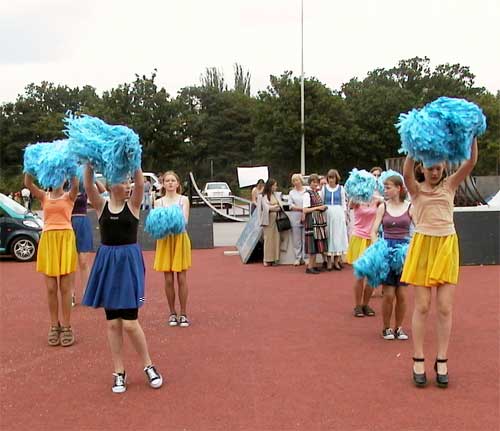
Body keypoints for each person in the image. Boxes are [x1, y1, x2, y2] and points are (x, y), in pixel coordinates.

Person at [402, 139, 478, 389]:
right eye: (430, 168)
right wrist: (413, 146)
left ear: (444, 167)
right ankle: (418, 358)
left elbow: (471, 162)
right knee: (422, 306)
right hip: (423, 246)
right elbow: (406, 173)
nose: (434, 172)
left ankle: (442, 359)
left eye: (438, 168)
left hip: (446, 246)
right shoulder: (415, 189)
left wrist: (472, 134)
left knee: (445, 308)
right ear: (422, 168)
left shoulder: (450, 184)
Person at [82, 165, 163, 394]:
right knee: (112, 323)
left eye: (129, 182)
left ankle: (148, 365)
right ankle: (119, 371)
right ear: (110, 185)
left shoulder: (134, 205)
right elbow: (88, 185)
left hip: (128, 265)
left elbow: (140, 183)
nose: (128, 186)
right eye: (123, 182)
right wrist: (89, 163)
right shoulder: (101, 205)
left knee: (129, 322)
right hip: (108, 265)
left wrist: (134, 160)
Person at [24, 173, 78, 347]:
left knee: (65, 288)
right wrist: (31, 165)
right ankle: (55, 325)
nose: (57, 179)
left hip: (65, 240)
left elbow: (76, 184)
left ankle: (67, 326)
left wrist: (71, 168)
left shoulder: (69, 196)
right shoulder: (43, 196)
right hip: (48, 241)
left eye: (60, 176)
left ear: (64, 179)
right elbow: (28, 183)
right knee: (51, 288)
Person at [370, 175, 413, 340]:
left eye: (388, 187)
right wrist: (377, 247)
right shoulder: (383, 207)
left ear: (398, 188)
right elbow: (374, 230)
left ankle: (399, 327)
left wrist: (411, 247)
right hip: (387, 251)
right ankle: (386, 327)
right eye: (385, 187)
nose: (385, 190)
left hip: (403, 253)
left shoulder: (410, 207)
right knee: (388, 294)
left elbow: (419, 229)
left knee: (402, 294)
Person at [153, 171, 192, 328]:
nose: (170, 183)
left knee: (182, 278)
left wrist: (167, 220)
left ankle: (183, 313)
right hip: (164, 241)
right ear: (163, 184)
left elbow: (184, 221)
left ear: (177, 183)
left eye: (173, 180)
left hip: (180, 239)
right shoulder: (158, 202)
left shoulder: (184, 200)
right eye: (167, 180)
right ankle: (172, 312)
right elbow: (157, 223)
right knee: (168, 280)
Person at [70, 180, 106, 306]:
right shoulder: (64, 183)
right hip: (68, 222)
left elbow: (102, 190)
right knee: (70, 261)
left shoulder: (84, 185)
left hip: (82, 221)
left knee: (83, 261)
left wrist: (93, 178)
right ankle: (71, 294)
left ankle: (87, 293)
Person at [347, 195, 380, 317]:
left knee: (372, 275)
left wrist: (377, 197)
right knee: (360, 275)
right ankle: (358, 305)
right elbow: (350, 204)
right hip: (358, 238)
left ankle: (366, 304)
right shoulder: (357, 199)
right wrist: (358, 195)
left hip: (372, 239)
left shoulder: (377, 200)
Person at [321, 169, 348, 271]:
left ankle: (336, 261)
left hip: (338, 214)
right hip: (327, 214)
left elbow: (343, 203)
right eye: (329, 178)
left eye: (333, 178)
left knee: (337, 237)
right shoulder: (324, 189)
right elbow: (321, 202)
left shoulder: (341, 189)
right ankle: (328, 261)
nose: (331, 180)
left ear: (336, 178)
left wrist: (345, 216)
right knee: (329, 236)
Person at [303, 174, 327, 274]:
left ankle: (313, 265)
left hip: (318, 220)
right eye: (313, 182)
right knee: (311, 244)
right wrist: (318, 208)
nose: (315, 184)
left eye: (316, 182)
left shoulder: (316, 193)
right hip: (311, 220)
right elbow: (305, 210)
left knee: (317, 244)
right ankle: (309, 267)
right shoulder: (307, 194)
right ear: (310, 183)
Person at [258, 179, 281, 266]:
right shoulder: (262, 196)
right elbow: (266, 207)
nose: (276, 187)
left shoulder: (276, 195)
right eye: (274, 185)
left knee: (276, 238)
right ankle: (267, 259)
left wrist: (274, 207)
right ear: (270, 186)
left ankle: (275, 258)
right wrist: (274, 207)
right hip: (267, 220)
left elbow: (279, 206)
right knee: (268, 239)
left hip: (276, 219)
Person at [288, 173, 307, 266]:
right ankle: (297, 258)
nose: (296, 182)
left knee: (305, 238)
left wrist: (304, 210)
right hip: (295, 217)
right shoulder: (291, 193)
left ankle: (305, 257)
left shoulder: (307, 191)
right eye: (294, 181)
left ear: (301, 180)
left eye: (297, 180)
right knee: (296, 240)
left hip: (306, 216)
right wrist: (301, 209)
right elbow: (290, 205)